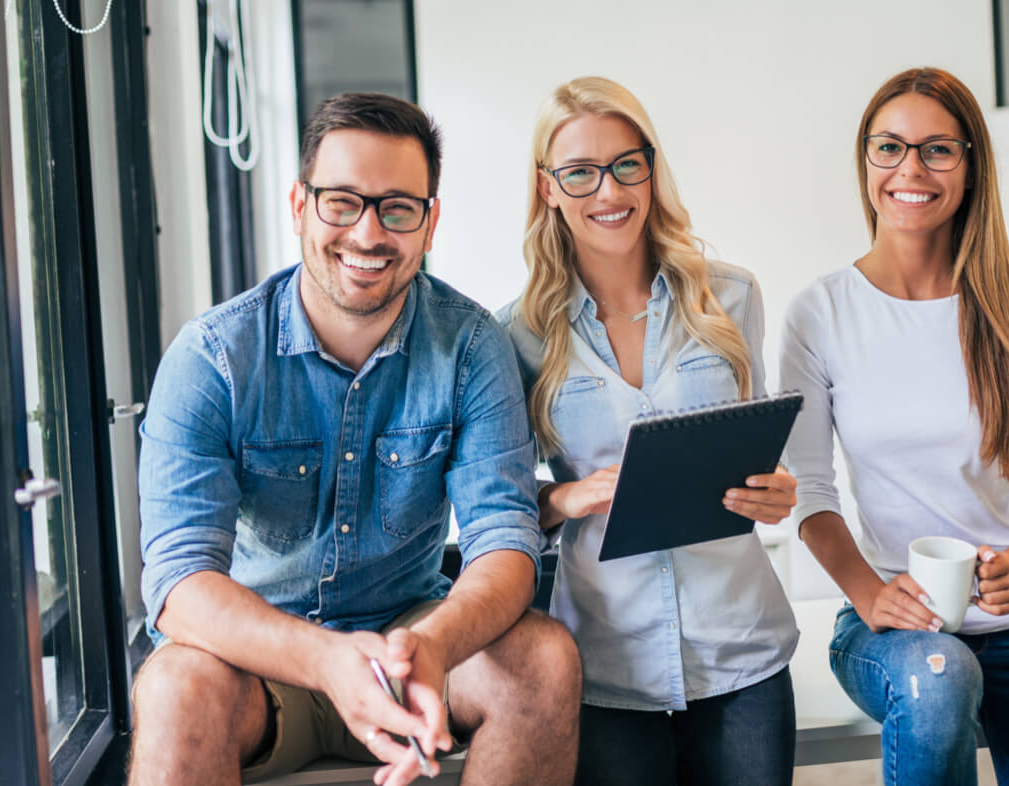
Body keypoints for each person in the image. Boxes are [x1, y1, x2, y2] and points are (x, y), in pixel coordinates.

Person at [130, 92, 581, 786]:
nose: (368, 234)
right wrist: (325, 660)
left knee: (544, 658)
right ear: (299, 206)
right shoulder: (213, 357)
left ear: (429, 225)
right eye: (342, 202)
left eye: (397, 208)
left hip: (410, 645)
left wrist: (429, 644)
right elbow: (178, 585)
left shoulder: (469, 347)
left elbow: (506, 545)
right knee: (171, 686)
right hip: (258, 666)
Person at [779, 67, 1009, 785]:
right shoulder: (821, 312)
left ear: (969, 167)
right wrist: (869, 594)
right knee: (939, 680)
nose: (910, 169)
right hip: (896, 628)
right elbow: (809, 488)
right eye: (889, 147)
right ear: (865, 159)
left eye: (937, 150)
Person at [497, 77, 801, 786]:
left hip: (740, 646)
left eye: (626, 163)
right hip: (608, 659)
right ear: (548, 187)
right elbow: (502, 503)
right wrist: (566, 499)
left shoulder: (731, 296)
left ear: (651, 166)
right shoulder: (518, 334)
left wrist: (777, 491)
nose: (608, 192)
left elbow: (756, 451)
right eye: (580, 173)